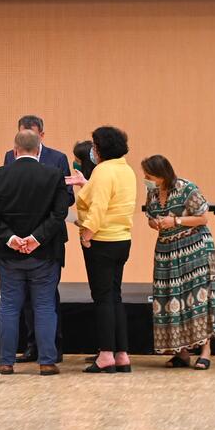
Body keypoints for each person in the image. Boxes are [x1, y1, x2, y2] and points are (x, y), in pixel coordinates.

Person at [0, 129, 69, 376]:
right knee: (44, 306)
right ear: (39, 149)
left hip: (8, 254)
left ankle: (6, 362)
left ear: (15, 150)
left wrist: (10, 238)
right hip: (44, 253)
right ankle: (47, 362)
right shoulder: (54, 175)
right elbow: (59, 214)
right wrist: (35, 238)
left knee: (9, 306)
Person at [141, 154, 215, 370]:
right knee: (170, 298)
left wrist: (175, 220)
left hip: (194, 249)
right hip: (167, 251)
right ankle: (182, 352)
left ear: (162, 174)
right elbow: (150, 217)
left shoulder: (186, 188)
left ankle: (205, 351)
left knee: (197, 298)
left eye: (149, 175)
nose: (146, 179)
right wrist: (155, 223)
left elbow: (203, 217)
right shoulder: (152, 192)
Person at [3, 115, 73, 363]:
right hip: (18, 240)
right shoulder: (10, 158)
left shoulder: (58, 158)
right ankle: (32, 347)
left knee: (46, 298)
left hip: (47, 238)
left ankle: (53, 347)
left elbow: (68, 199)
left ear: (42, 135)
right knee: (23, 303)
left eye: (32, 133)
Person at [77, 126, 136, 373]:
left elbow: (98, 206)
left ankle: (105, 355)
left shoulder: (103, 170)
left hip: (102, 240)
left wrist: (87, 234)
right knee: (115, 296)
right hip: (122, 239)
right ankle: (122, 354)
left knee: (102, 299)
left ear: (101, 148)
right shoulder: (127, 170)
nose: (92, 149)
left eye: (94, 145)